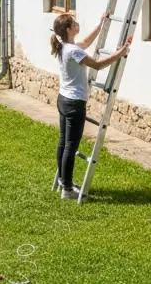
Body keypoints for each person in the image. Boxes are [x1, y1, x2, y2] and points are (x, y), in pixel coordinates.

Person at [51, 12, 131, 199]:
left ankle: (64, 182)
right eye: (75, 23)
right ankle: (68, 190)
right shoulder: (73, 51)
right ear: (70, 29)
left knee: (63, 142)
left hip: (63, 99)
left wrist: (101, 23)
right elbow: (97, 65)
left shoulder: (65, 46)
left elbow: (86, 43)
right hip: (74, 103)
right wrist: (120, 53)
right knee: (70, 146)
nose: (78, 24)